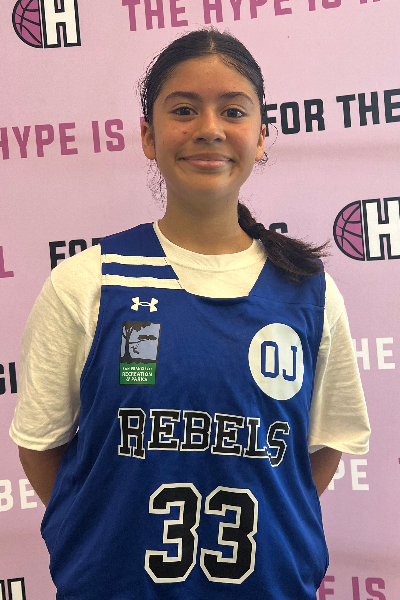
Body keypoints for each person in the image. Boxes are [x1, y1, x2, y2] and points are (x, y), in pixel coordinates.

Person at [10, 28, 370, 600]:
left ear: (262, 135)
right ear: (148, 136)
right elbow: (39, 443)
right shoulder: (89, 282)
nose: (209, 128)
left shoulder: (308, 292)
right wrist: (102, 527)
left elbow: (323, 447)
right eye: (183, 110)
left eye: (233, 110)